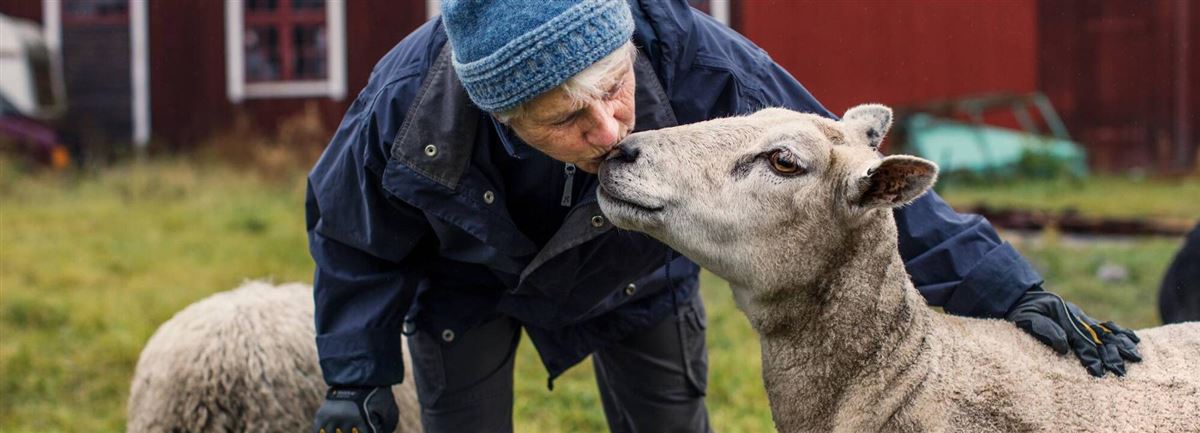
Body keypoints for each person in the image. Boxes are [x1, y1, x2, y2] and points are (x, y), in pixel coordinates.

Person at [307, 1, 1142, 432]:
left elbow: (837, 168)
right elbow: (354, 237)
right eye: (566, 121)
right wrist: (355, 374)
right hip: (469, 281)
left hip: (632, 268)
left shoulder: (684, 48)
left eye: (613, 90)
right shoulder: (403, 109)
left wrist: (1007, 283)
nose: (609, 132)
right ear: (500, 114)